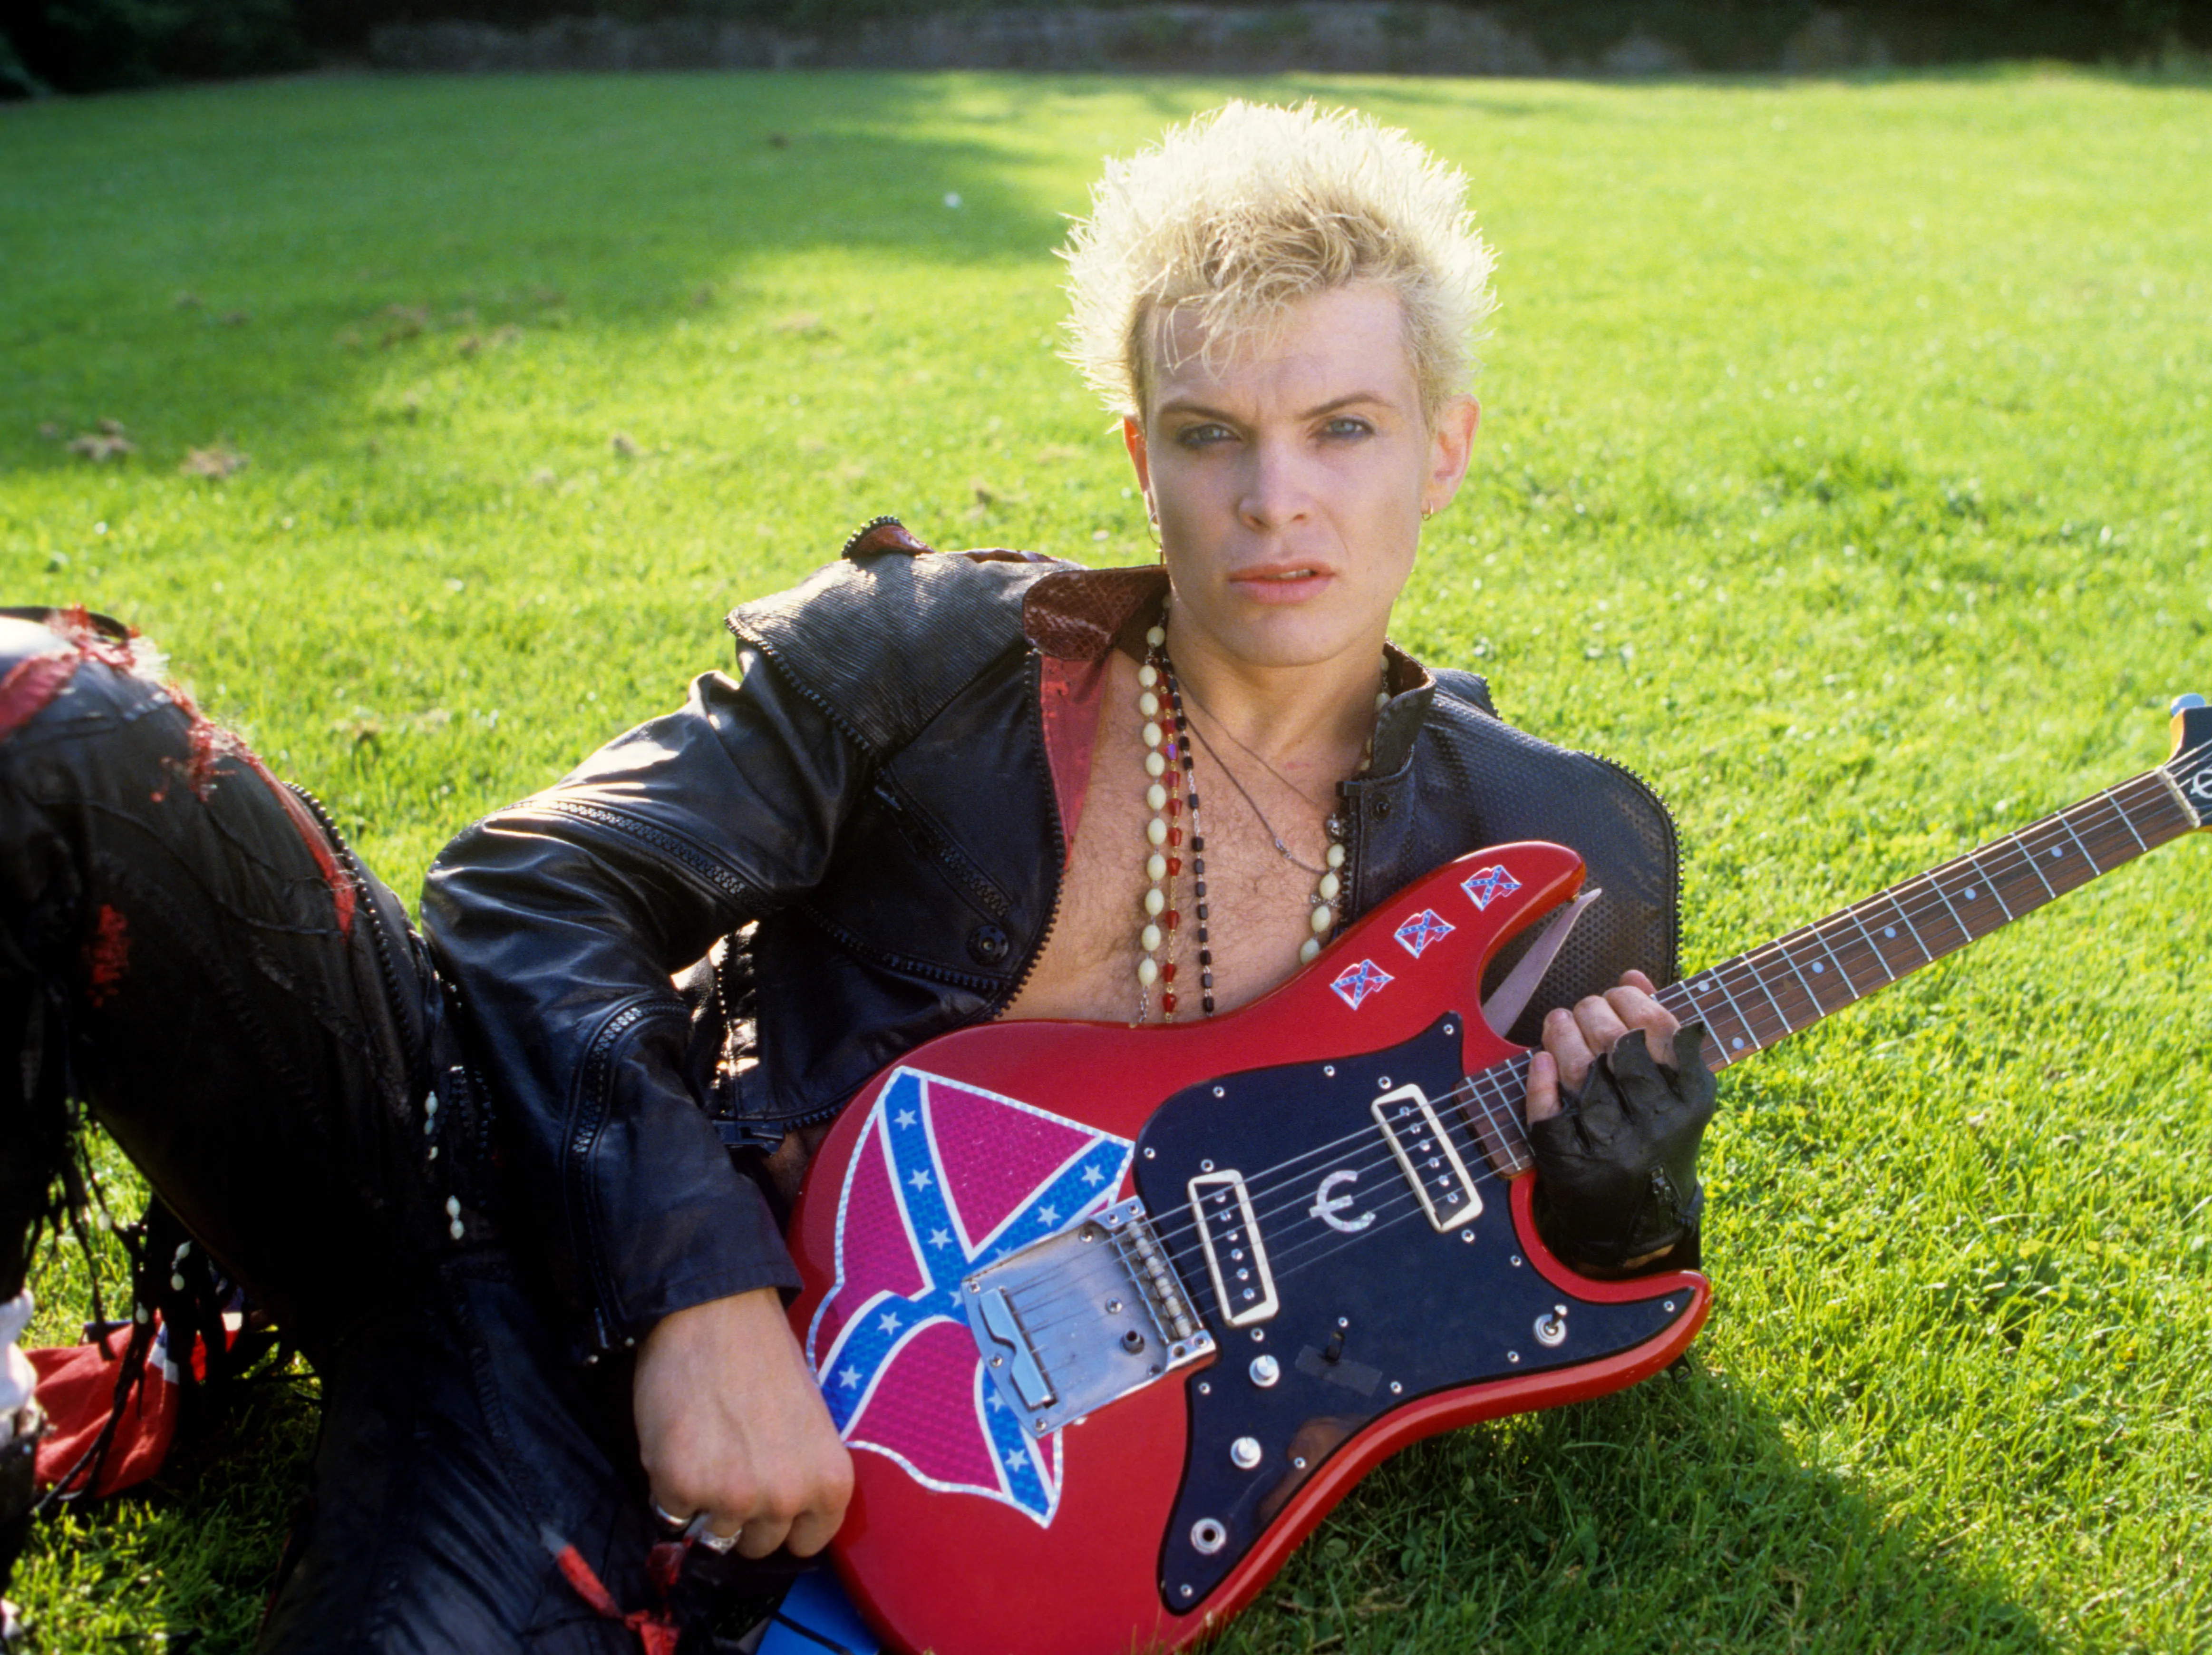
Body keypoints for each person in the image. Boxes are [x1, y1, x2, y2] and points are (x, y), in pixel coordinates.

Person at [0, 102, 1713, 1649]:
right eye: (1211, 435)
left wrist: (1625, 1184)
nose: (1275, 503)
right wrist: (702, 1301)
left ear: (1444, 446)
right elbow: (536, 887)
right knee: (48, 721)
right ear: (1139, 458)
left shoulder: (1554, 854)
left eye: (1342, 426)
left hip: (695, 1461)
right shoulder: (929, 653)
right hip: (510, 1179)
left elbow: (1544, 1289)